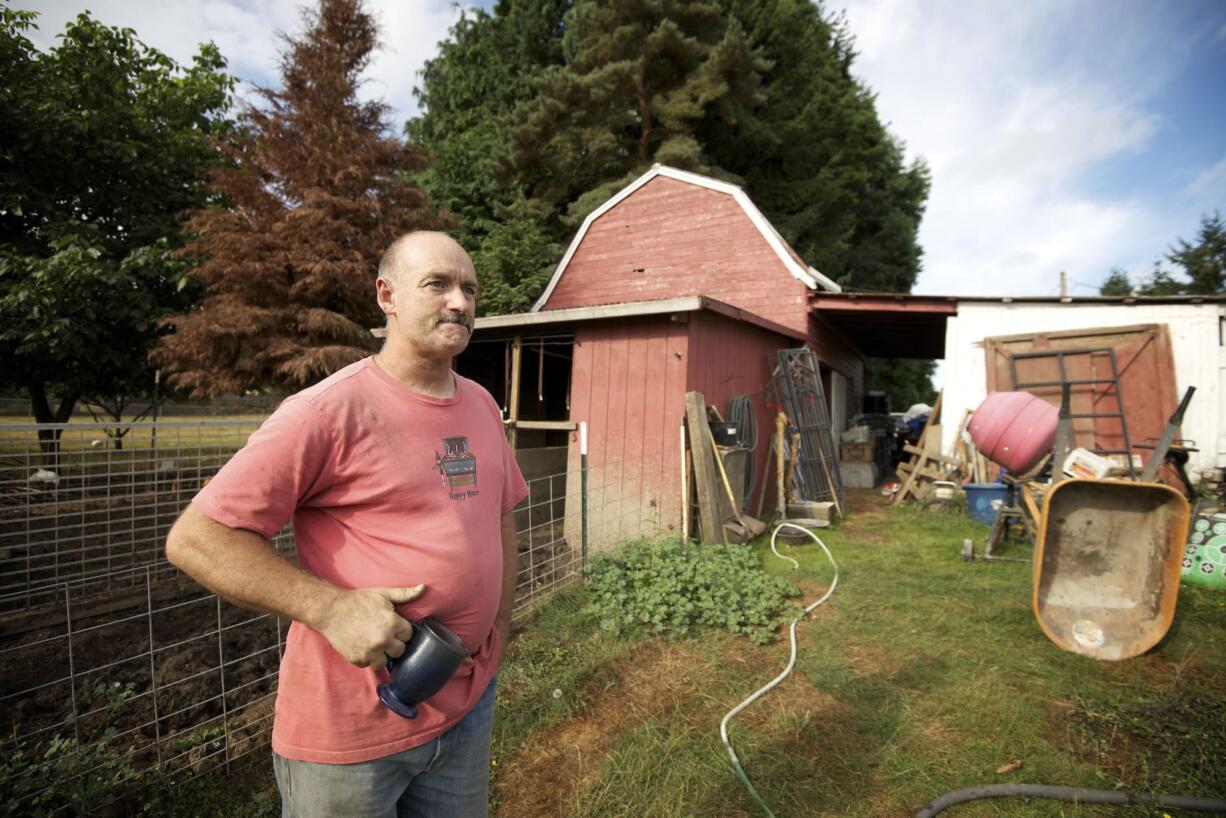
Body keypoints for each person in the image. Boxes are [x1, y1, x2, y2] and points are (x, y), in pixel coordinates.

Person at [165, 231, 528, 818]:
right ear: (386, 295)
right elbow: (196, 539)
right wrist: (330, 609)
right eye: (437, 283)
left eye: (469, 288)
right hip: (352, 735)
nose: (460, 301)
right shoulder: (325, 412)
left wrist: (501, 625)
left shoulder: (483, 404)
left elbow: (501, 514)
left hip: (466, 707)